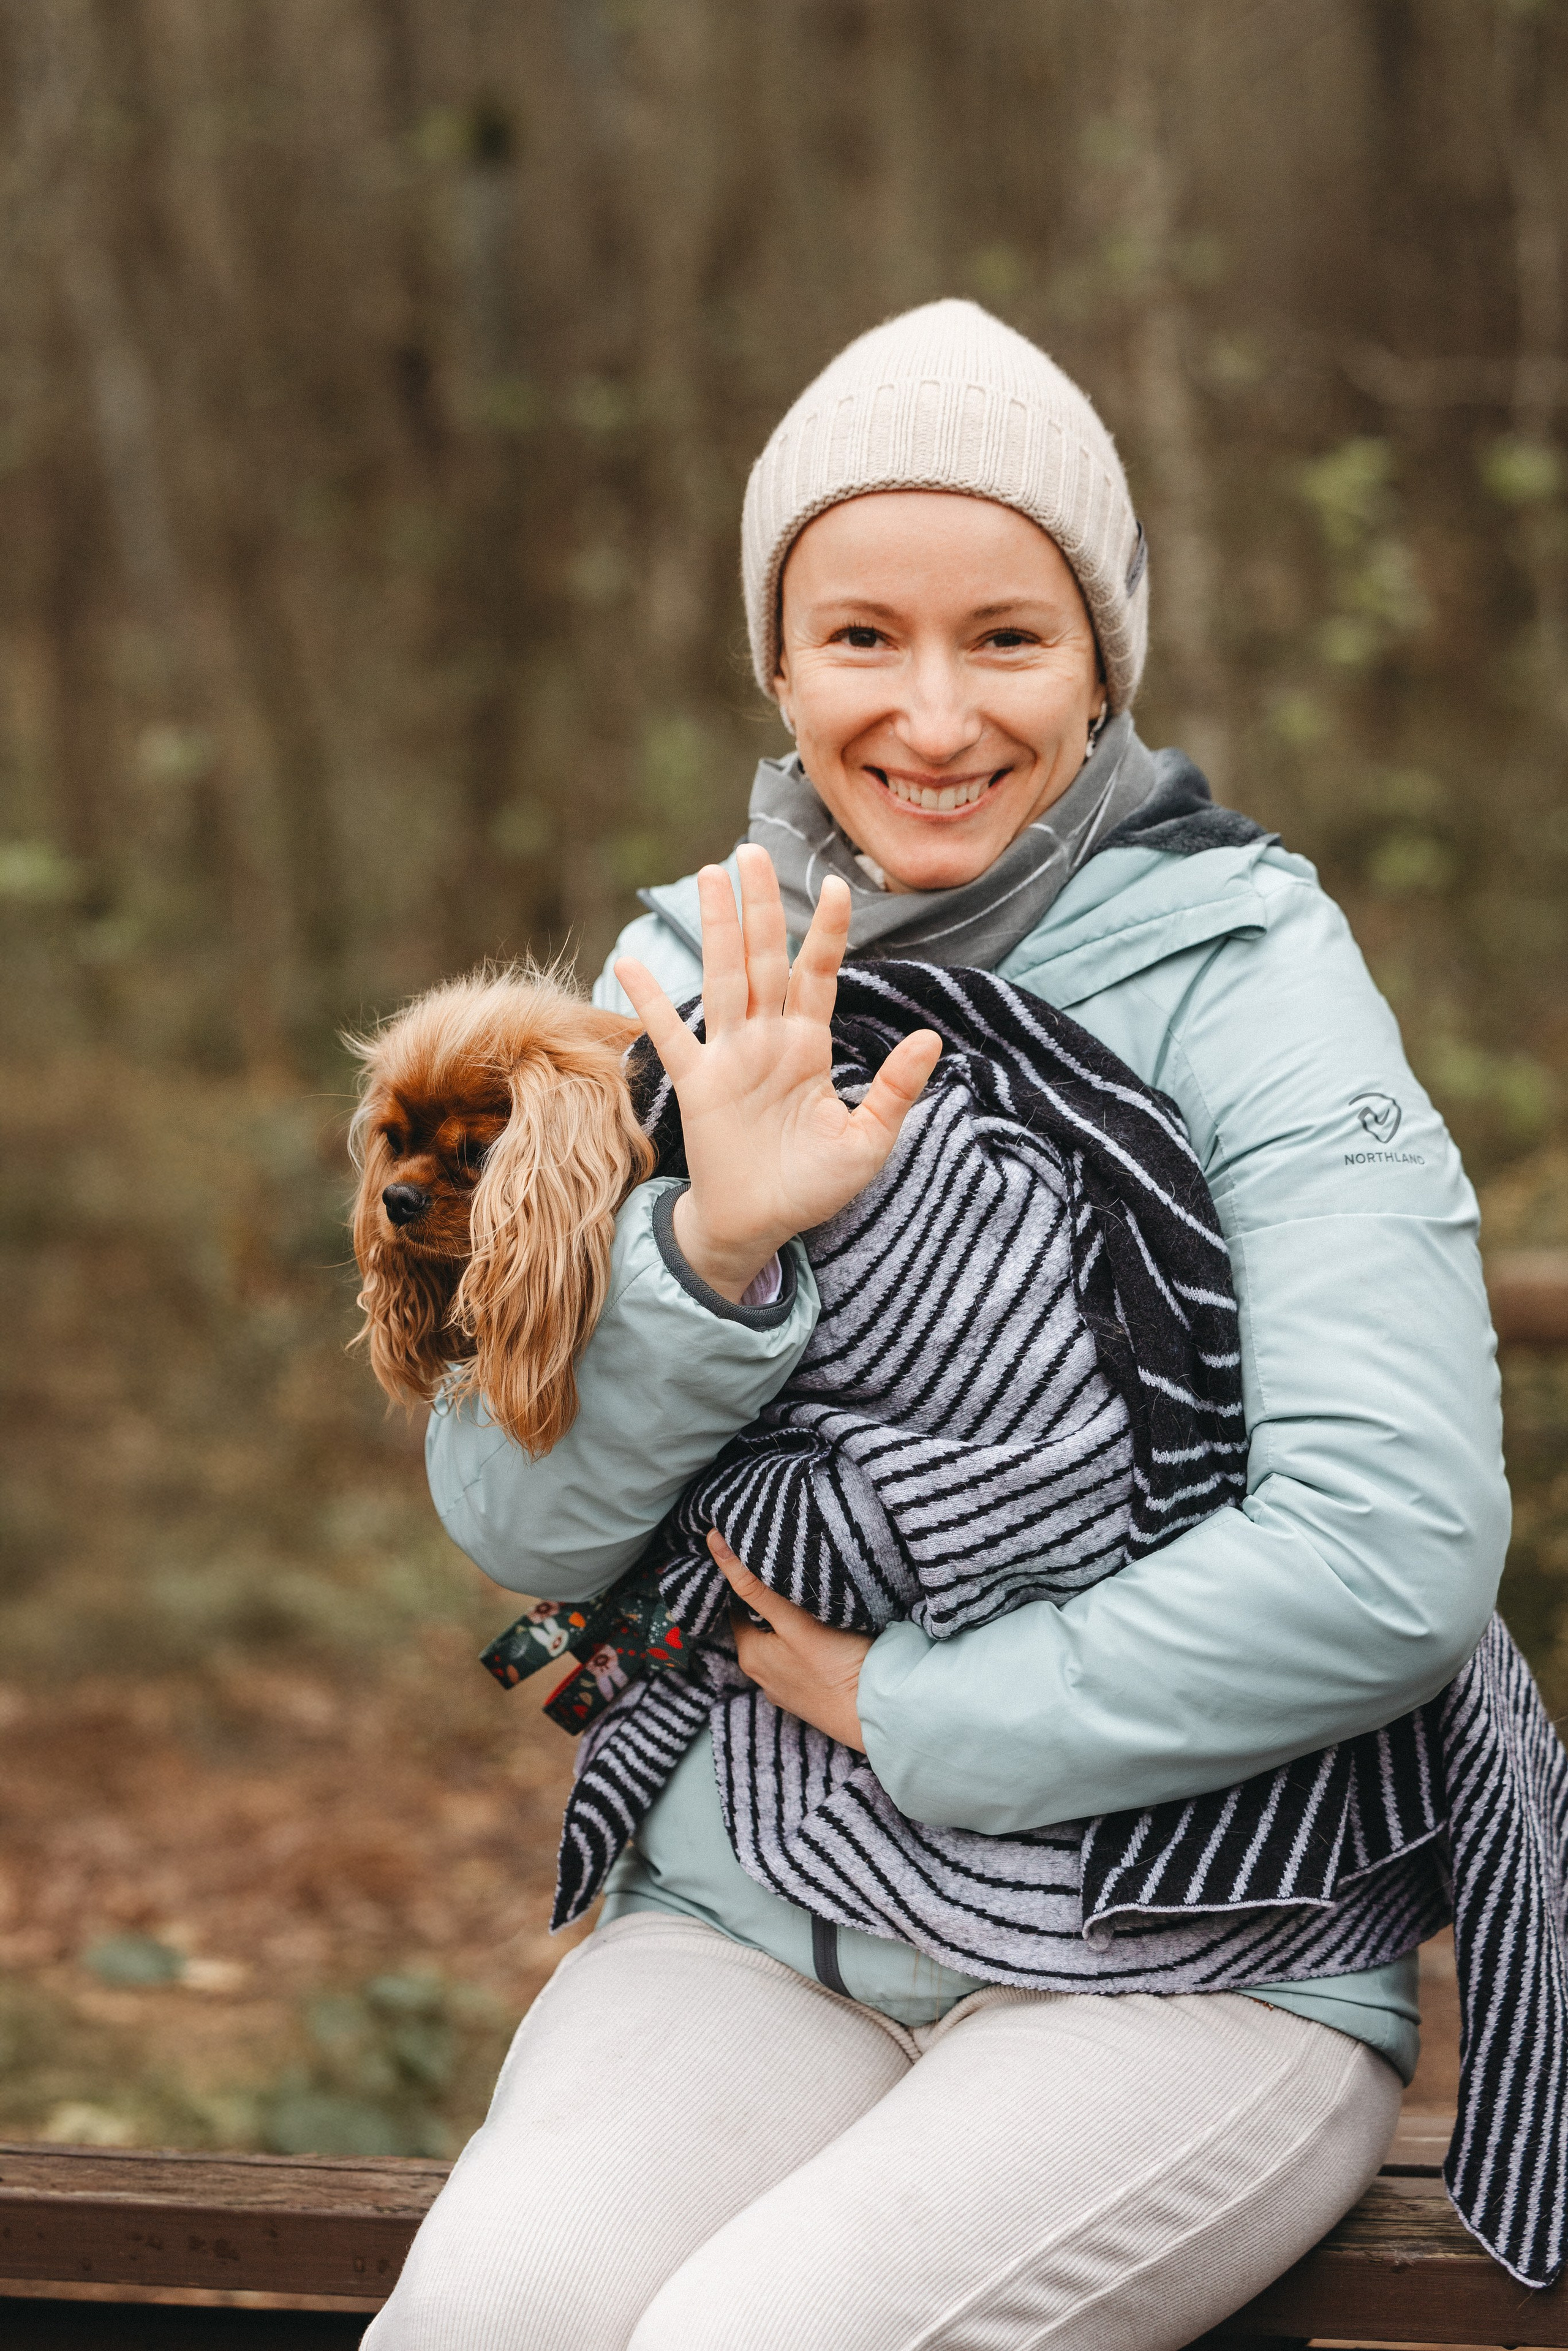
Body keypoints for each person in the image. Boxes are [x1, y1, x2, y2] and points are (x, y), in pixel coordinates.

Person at [364, 300, 1507, 2351]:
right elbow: (514, 1520)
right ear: (777, 664)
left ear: (1103, 660)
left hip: (1191, 1952)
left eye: (1008, 636)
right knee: (493, 2319)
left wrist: (925, 1713)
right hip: (759, 1910)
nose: (934, 716)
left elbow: (1392, 1546)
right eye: (861, 637)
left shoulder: (1249, 971)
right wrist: (706, 1253)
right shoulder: (678, 971)